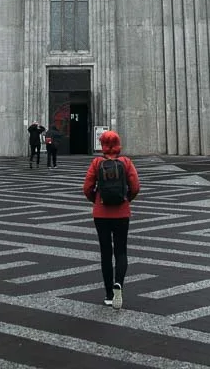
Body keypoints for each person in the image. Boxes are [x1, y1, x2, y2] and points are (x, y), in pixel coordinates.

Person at [83, 129, 140, 308]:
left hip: (101, 213)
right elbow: (136, 186)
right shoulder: (126, 162)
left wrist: (97, 200)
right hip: (122, 212)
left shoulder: (96, 162)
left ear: (102, 145)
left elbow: (87, 188)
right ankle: (119, 285)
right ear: (117, 145)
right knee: (121, 251)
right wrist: (126, 199)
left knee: (106, 253)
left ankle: (108, 293)